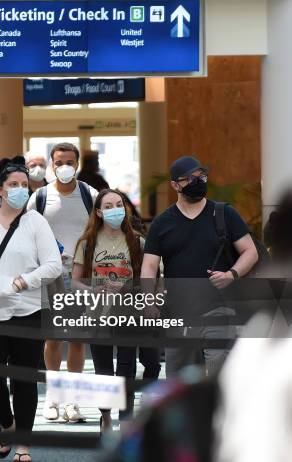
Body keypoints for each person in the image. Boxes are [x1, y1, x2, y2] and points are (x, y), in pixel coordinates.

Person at [0, 156, 62, 462]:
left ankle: (23, 447)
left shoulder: (36, 222)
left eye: (24, 185)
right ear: (0, 190)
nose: (19, 190)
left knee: (24, 380)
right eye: (13, 185)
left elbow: (53, 265)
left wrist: (23, 281)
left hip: (29, 311)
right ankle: (7, 423)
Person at [141, 155, 258, 377]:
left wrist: (231, 274)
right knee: (180, 383)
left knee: (219, 377)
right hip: (179, 313)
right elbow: (149, 265)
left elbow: (250, 251)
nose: (198, 181)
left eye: (201, 176)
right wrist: (149, 302)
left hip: (219, 308)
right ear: (175, 185)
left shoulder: (224, 214)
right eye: (190, 179)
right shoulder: (162, 223)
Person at [72, 188, 161, 433]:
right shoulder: (87, 243)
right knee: (103, 370)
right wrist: (92, 291)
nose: (115, 210)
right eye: (108, 206)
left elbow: (148, 277)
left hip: (128, 313)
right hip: (97, 315)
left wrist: (149, 301)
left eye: (118, 204)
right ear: (99, 212)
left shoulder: (137, 241)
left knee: (126, 367)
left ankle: (126, 419)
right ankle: (105, 415)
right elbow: (75, 281)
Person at [26, 142, 98, 423]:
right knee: (53, 338)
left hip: (81, 276)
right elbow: (28, 232)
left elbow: (99, 231)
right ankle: (54, 397)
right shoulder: (40, 197)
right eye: (59, 162)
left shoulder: (89, 194)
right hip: (51, 276)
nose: (64, 166)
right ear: (51, 165)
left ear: (77, 164)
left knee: (78, 339)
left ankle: (74, 401)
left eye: (69, 161)